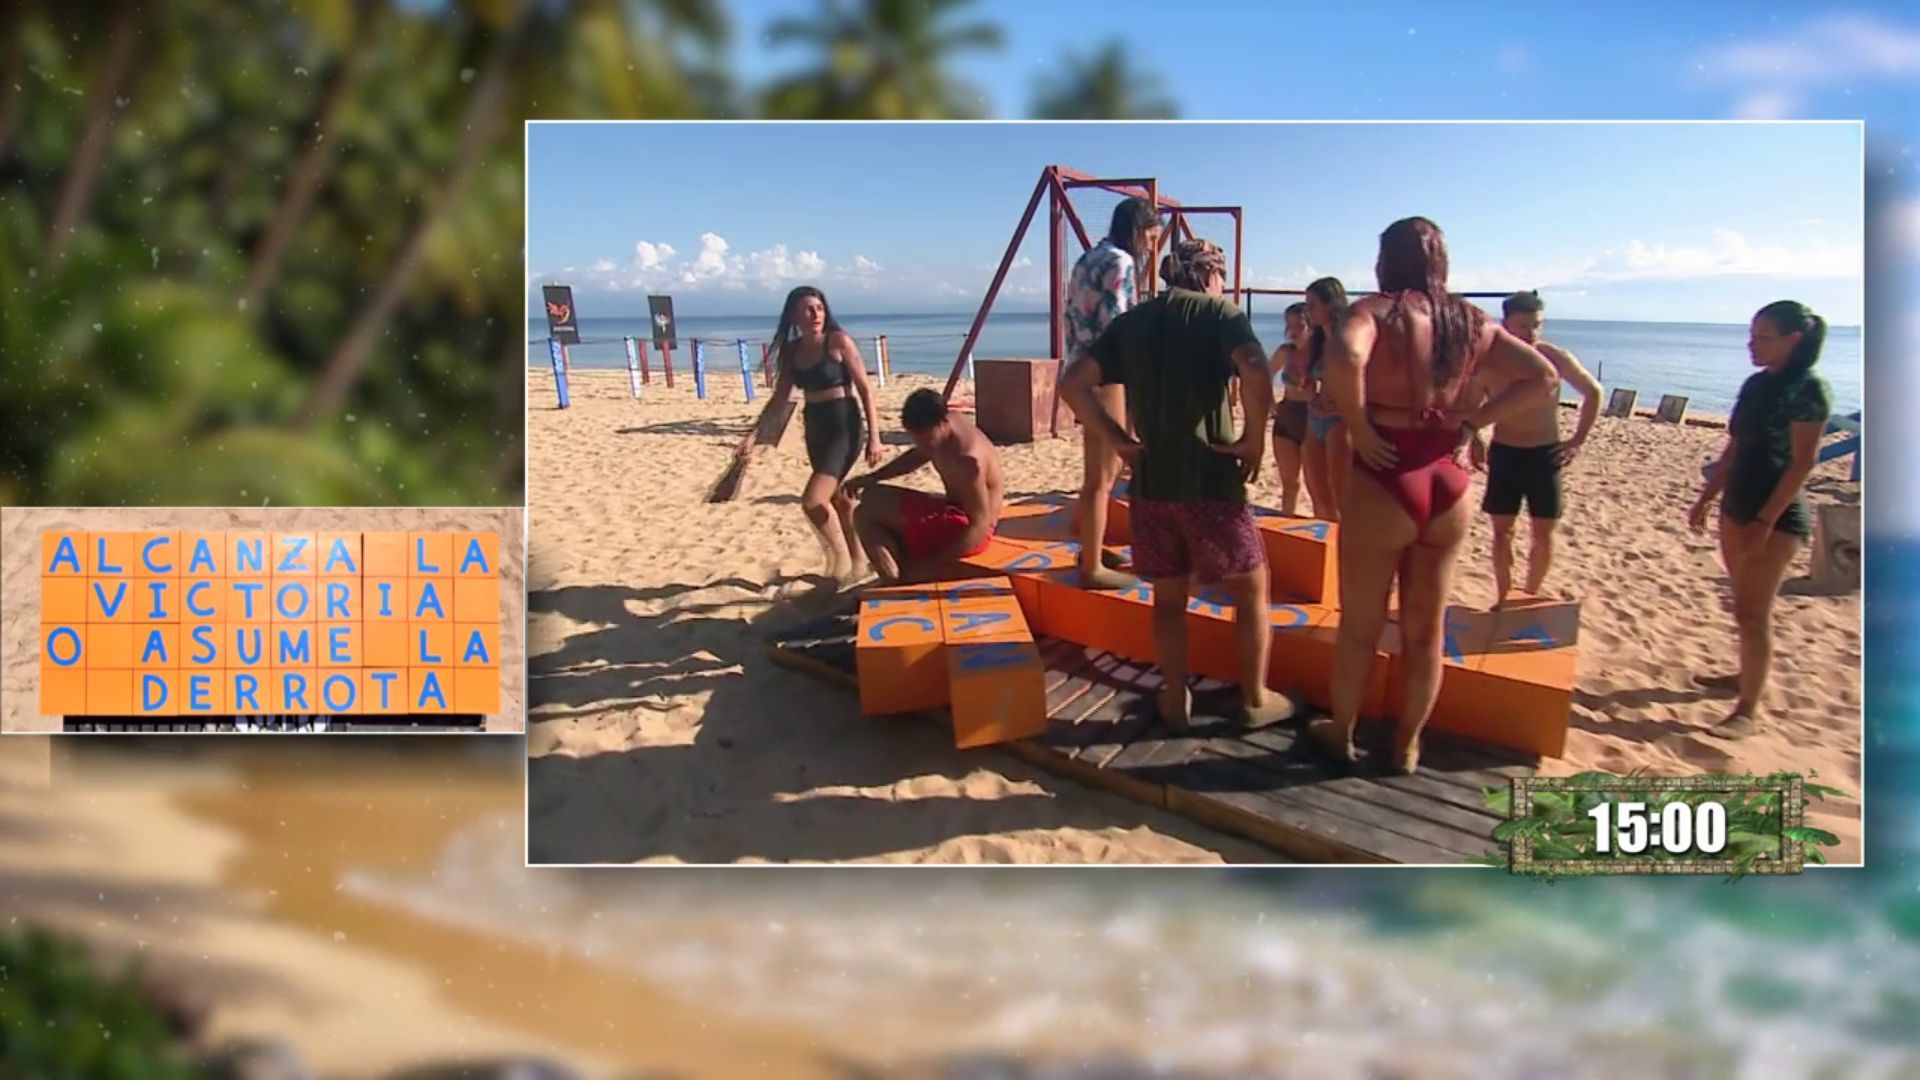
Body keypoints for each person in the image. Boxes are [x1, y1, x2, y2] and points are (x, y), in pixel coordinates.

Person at [1314, 218, 1559, 774]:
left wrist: (1358, 422)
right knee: (1426, 630)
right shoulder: (1470, 322)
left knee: (1360, 625)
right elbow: (1543, 380)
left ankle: (1341, 732)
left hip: (1386, 471)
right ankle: (1406, 745)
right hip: (1447, 479)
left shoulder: (1374, 312)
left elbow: (1347, 357)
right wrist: (1473, 423)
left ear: (1386, 262)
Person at [1058, 238, 1288, 732]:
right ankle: (1253, 698)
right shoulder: (1219, 314)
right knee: (1251, 590)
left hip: (1150, 483)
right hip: (1210, 480)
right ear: (1210, 274)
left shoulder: (1133, 321)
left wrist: (1120, 442)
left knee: (1167, 601)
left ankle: (1175, 696)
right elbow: (1254, 368)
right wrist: (1253, 440)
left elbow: (1071, 383)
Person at [1687, 300, 1832, 739]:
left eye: (1763, 337)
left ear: (1795, 340)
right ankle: (1742, 674)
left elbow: (1802, 464)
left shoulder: (1808, 389)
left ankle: (1747, 710)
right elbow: (1735, 447)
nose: (1752, 344)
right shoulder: (1756, 384)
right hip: (1738, 503)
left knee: (1755, 612)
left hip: (1777, 515)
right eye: (1751, 335)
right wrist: (1708, 496)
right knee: (1742, 603)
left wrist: (1764, 521)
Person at [1470, 290, 1604, 607]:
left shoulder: (1554, 358)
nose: (1531, 334)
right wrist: (1475, 437)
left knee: (1543, 534)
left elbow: (1593, 392)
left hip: (1545, 454)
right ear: (1506, 325)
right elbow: (1470, 406)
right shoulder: (1490, 363)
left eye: (1537, 325)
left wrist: (1577, 441)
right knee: (1503, 533)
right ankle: (1503, 597)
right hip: (1505, 453)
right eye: (1523, 326)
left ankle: (1528, 596)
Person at [1065, 196, 1162, 588]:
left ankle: (1092, 547)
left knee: (1101, 470)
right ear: (1139, 231)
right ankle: (1091, 568)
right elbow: (1121, 329)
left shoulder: (1089, 257)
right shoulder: (1121, 262)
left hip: (1080, 368)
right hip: (1105, 375)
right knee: (1103, 474)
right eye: (1152, 239)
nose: (1152, 249)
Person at [766, 286, 883, 584]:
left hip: (844, 425)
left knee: (813, 500)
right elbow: (780, 399)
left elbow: (865, 390)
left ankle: (838, 559)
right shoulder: (792, 351)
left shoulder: (838, 341)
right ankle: (860, 564)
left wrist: (875, 437)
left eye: (819, 307)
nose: (816, 314)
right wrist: (753, 436)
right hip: (815, 425)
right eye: (808, 309)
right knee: (840, 499)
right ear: (794, 315)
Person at [841, 389, 1004, 586]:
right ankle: (895, 571)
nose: (922, 445)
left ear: (942, 423)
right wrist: (870, 478)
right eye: (916, 440)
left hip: (969, 530)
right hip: (955, 513)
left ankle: (892, 580)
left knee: (863, 515)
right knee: (871, 494)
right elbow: (917, 456)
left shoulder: (967, 460)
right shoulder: (945, 426)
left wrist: (936, 564)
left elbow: (980, 524)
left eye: (926, 440)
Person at [1300, 277, 1352, 521]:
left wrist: (1344, 404)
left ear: (1331, 303)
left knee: (1342, 497)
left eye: (1312, 304)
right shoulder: (1317, 340)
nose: (1308, 311)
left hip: (1341, 419)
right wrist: (1311, 396)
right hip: (1315, 415)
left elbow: (1370, 380)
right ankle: (1327, 551)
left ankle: (1346, 554)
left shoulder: (1351, 338)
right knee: (1319, 496)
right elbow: (1306, 378)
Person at [1268, 302, 1313, 516]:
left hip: (1314, 419)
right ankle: (1287, 526)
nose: (1292, 331)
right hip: (1288, 416)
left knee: (1318, 486)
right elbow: (1264, 375)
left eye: (1299, 325)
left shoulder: (1322, 356)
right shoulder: (1285, 352)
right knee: (1289, 483)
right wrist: (1269, 403)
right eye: (1289, 326)